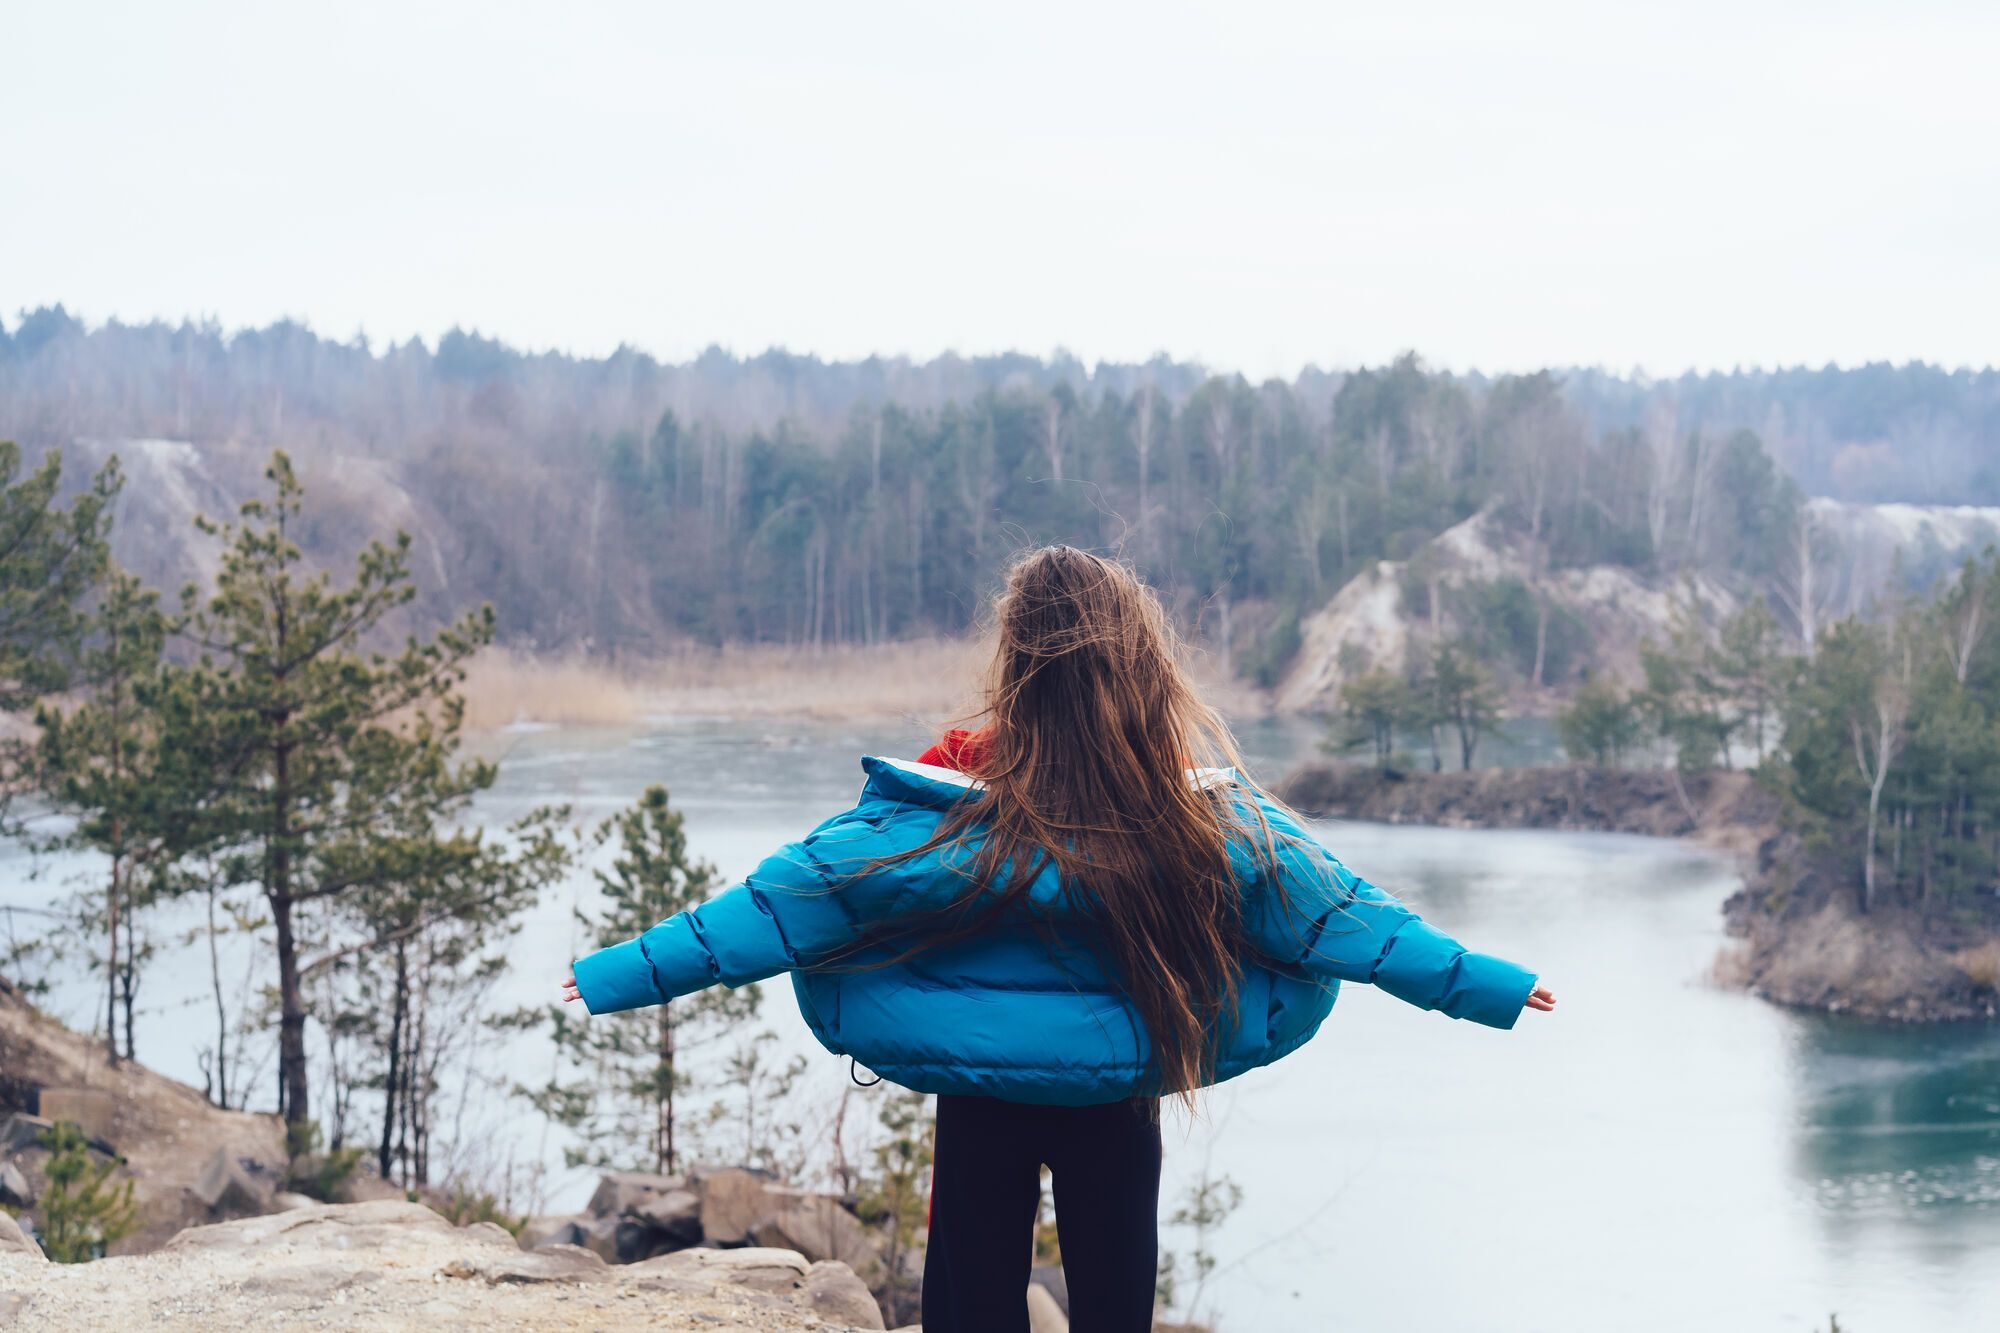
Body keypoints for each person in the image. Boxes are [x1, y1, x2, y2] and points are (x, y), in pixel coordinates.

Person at [563, 545, 1554, 1332]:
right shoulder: (1180, 799)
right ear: (1136, 664)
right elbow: (1344, 918)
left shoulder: (951, 782)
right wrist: (1486, 982)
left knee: (970, 1299)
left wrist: (612, 975)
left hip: (980, 1089)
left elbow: (779, 906)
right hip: (1118, 1081)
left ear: (1016, 660)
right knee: (1115, 1296)